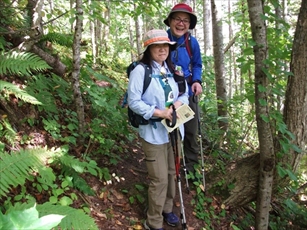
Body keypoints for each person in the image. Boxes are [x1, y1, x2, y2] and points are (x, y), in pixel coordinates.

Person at [128, 29, 189, 230]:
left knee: (173, 173)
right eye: (157, 46)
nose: (162, 49)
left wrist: (179, 104)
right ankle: (153, 222)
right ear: (149, 49)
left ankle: (167, 209)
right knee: (160, 178)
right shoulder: (140, 71)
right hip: (153, 133)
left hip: (174, 131)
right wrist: (159, 113)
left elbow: (184, 93)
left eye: (166, 46)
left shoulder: (173, 69)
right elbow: (134, 102)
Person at [163, 3, 203, 176]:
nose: (181, 23)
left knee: (191, 128)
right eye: (177, 19)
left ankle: (192, 169)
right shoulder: (162, 39)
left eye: (185, 20)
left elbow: (197, 64)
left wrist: (197, 81)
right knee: (168, 127)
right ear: (170, 21)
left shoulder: (191, 43)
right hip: (166, 88)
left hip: (187, 87)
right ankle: (170, 167)